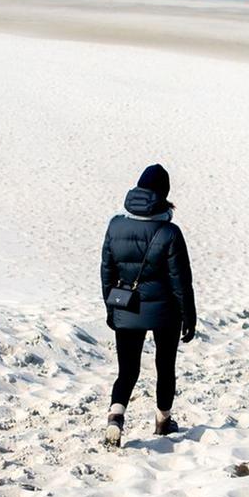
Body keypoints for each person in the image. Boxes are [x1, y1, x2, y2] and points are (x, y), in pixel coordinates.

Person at [100, 164, 196, 446]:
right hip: (165, 313)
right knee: (165, 366)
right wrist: (189, 315)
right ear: (164, 195)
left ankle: (115, 417)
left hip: (126, 309)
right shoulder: (170, 232)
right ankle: (163, 421)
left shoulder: (115, 225)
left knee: (127, 369)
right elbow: (181, 281)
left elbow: (107, 271)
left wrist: (111, 308)